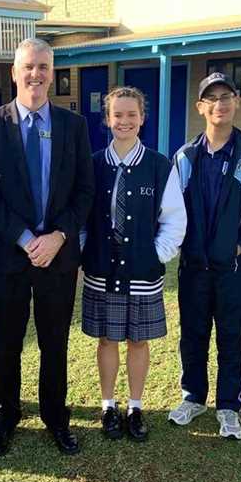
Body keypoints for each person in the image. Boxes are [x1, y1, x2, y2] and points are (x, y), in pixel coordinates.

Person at [0, 37, 95, 457]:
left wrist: (58, 236)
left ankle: (55, 417)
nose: (36, 74)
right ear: (14, 72)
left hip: (58, 257)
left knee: (54, 341)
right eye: (29, 66)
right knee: (7, 341)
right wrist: (26, 239)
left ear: (53, 72)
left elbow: (85, 190)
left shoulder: (73, 126)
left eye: (44, 66)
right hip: (9, 256)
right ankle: (5, 415)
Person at [168, 72, 241, 440]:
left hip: (234, 269)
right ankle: (193, 397)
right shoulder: (184, 157)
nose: (220, 103)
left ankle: (229, 406)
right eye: (211, 98)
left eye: (227, 95)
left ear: (237, 102)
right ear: (200, 107)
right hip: (194, 268)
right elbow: (170, 212)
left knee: (232, 337)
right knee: (193, 335)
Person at [81, 87, 187, 442]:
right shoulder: (93, 164)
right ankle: (108, 405)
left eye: (131, 115)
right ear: (107, 119)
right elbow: (81, 217)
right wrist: (86, 252)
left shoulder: (158, 165)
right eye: (117, 115)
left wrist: (156, 254)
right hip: (102, 271)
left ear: (142, 118)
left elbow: (174, 218)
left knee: (138, 341)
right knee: (108, 340)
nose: (124, 121)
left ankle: (135, 406)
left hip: (143, 272)